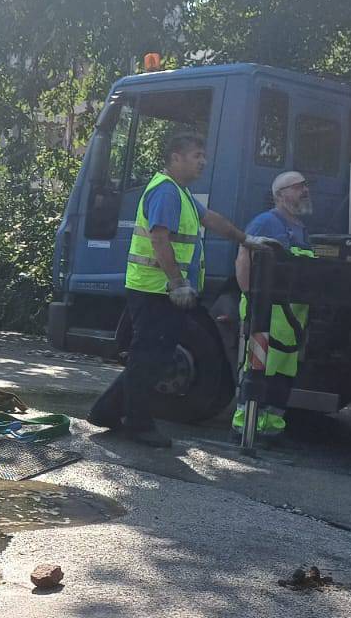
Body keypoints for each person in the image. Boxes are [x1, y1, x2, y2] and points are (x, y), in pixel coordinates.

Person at [87, 129, 277, 448]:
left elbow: (212, 219)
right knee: (149, 358)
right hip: (156, 291)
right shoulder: (166, 192)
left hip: (158, 290)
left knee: (151, 357)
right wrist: (177, 283)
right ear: (175, 158)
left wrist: (245, 239)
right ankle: (137, 423)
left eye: (203, 156)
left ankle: (107, 411)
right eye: (196, 156)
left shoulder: (181, 192)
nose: (203, 162)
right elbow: (160, 239)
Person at [232, 170, 316, 440]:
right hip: (266, 313)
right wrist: (249, 296)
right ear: (280, 195)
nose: (305, 190)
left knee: (282, 373)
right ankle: (246, 426)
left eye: (305, 186)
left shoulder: (300, 227)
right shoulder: (265, 222)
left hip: (291, 318)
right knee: (258, 369)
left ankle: (270, 428)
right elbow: (243, 256)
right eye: (298, 186)